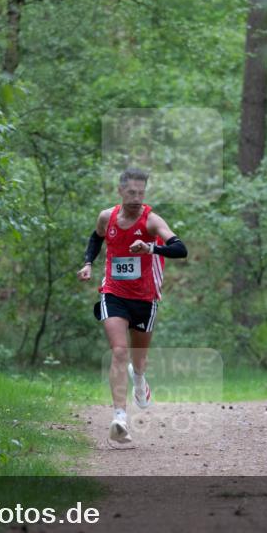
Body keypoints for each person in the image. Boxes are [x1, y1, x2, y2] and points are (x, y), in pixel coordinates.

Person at [77, 168, 188, 444]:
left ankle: (139, 377)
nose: (137, 197)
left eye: (141, 192)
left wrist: (151, 248)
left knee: (138, 360)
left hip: (145, 298)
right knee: (119, 350)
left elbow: (180, 248)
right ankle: (119, 418)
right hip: (113, 292)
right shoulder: (107, 217)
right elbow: (97, 237)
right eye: (131, 192)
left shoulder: (151, 221)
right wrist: (88, 263)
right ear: (120, 191)